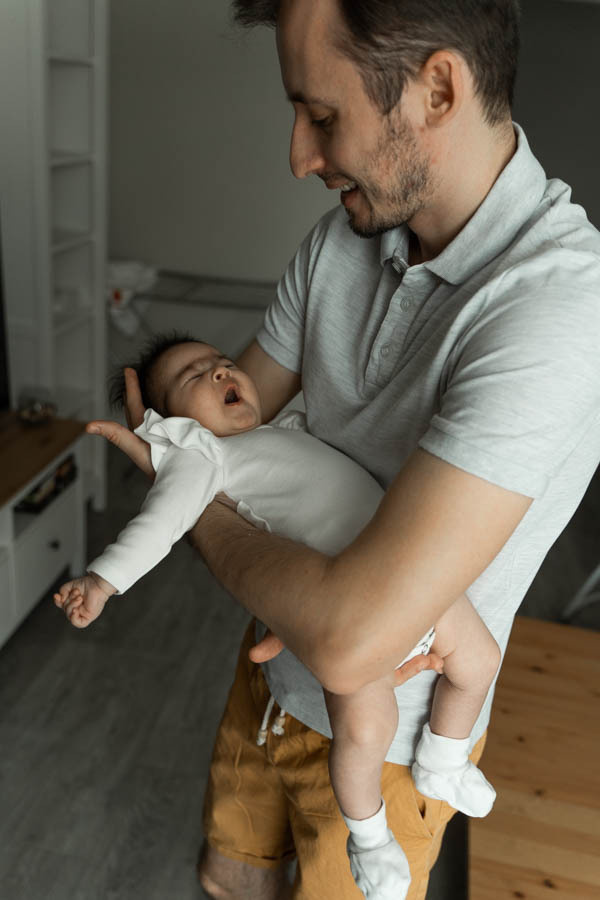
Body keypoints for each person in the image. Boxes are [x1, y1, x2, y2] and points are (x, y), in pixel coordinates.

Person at [88, 0, 600, 897]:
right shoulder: (343, 239)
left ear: (439, 89)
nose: (299, 157)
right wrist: (210, 479)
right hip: (267, 676)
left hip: (389, 743)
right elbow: (230, 424)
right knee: (230, 877)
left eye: (322, 116)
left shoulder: (556, 312)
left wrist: (183, 486)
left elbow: (348, 638)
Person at [55, 335, 499, 900]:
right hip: (347, 613)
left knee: (480, 661)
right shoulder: (201, 455)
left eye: (222, 364)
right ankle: (370, 839)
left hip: (408, 576)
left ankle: (445, 759)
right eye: (195, 377)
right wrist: (102, 580)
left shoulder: (284, 428)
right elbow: (160, 523)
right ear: (174, 424)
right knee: (365, 732)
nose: (220, 372)